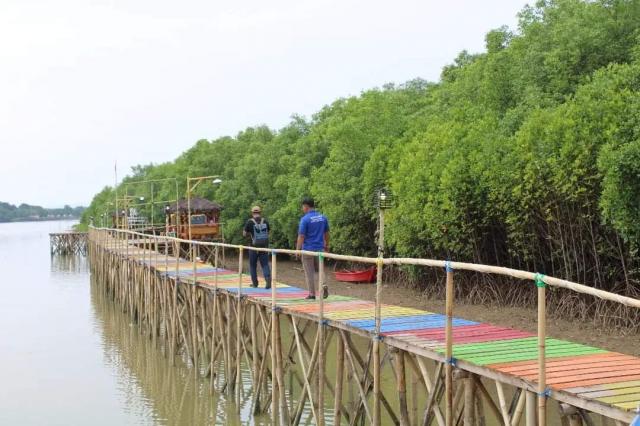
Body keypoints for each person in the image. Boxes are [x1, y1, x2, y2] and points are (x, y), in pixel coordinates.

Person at [296, 197, 329, 300]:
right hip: (320, 248)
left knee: (309, 272)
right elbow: (326, 233)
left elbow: (301, 236)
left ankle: (312, 294)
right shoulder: (323, 217)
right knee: (321, 269)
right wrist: (327, 245)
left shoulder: (305, 219)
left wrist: (298, 249)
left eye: (302, 206)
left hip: (308, 249)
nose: (302, 208)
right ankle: (323, 285)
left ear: (306, 206)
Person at [243, 206, 271, 289]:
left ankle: (255, 283)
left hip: (253, 247)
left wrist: (250, 234)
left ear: (252, 213)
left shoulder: (249, 222)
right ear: (260, 212)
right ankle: (268, 279)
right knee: (265, 264)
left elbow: (244, 234)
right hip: (264, 246)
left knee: (252, 265)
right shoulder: (265, 221)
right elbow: (268, 232)